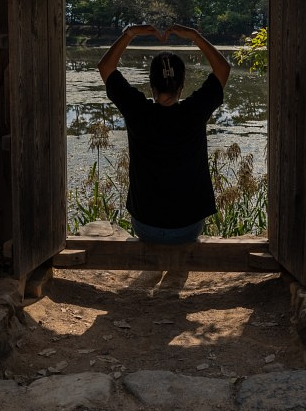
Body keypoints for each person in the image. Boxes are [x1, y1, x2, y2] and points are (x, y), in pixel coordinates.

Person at [98, 23, 230, 245]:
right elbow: (223, 69)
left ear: (151, 84)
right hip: (188, 227)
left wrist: (129, 34)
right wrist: (195, 36)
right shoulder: (195, 110)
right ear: (182, 85)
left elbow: (105, 67)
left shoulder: (138, 110)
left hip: (146, 226)